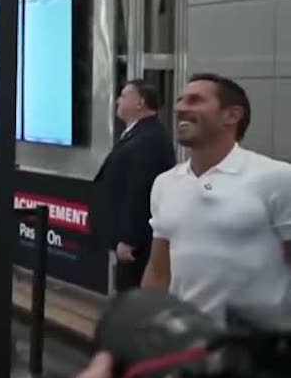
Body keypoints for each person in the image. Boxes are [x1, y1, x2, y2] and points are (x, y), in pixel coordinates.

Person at [142, 74, 291, 321]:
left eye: (195, 100)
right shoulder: (165, 183)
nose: (180, 108)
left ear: (232, 115)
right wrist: (144, 330)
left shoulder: (277, 177)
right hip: (185, 343)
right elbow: (159, 269)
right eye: (180, 101)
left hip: (257, 349)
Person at [93, 79, 175, 292]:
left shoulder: (150, 139)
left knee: (131, 294)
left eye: (124, 95)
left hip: (139, 245)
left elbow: (142, 192)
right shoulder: (137, 133)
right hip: (127, 237)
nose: (118, 100)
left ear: (140, 102)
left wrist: (130, 238)